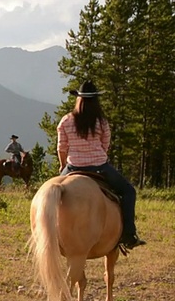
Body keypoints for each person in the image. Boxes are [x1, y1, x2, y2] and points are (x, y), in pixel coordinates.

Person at [57, 80, 146, 249]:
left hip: (73, 167)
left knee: (53, 194)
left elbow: (62, 148)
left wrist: (63, 165)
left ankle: (45, 233)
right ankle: (128, 234)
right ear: (95, 100)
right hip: (99, 166)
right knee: (128, 191)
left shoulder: (66, 121)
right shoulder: (101, 121)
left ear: (79, 99)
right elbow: (105, 145)